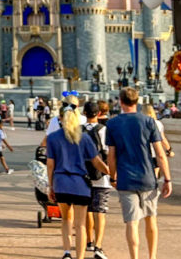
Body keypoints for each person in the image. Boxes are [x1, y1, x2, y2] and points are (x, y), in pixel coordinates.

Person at [106, 88, 172, 259]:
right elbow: (160, 154)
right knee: (151, 219)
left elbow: (111, 156)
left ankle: (134, 257)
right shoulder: (149, 122)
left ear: (120, 102)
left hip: (126, 179)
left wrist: (112, 177)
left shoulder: (112, 124)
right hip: (148, 177)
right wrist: (167, 179)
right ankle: (152, 256)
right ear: (137, 102)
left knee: (132, 222)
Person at [46, 107, 109, 259]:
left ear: (60, 118)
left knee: (66, 219)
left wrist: (51, 185)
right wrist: (110, 173)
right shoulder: (84, 138)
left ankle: (67, 252)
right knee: (80, 224)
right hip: (80, 183)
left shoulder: (53, 138)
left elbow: (50, 164)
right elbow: (96, 161)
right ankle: (80, 256)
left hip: (61, 182)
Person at [83, 101, 111, 259]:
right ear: (99, 114)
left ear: (84, 113)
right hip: (101, 177)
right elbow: (109, 153)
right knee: (100, 211)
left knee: (86, 210)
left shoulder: (78, 130)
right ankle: (98, 246)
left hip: (82, 177)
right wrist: (111, 172)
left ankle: (88, 240)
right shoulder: (103, 130)